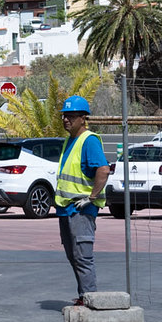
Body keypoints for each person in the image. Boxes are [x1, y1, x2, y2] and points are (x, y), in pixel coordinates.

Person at [54, 96, 111, 306]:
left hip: (81, 209)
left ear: (82, 118)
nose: (65, 120)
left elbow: (103, 170)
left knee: (83, 256)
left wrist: (92, 197)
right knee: (74, 256)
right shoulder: (70, 141)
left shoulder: (89, 141)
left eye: (70, 116)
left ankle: (90, 299)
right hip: (66, 208)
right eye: (64, 115)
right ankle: (83, 296)